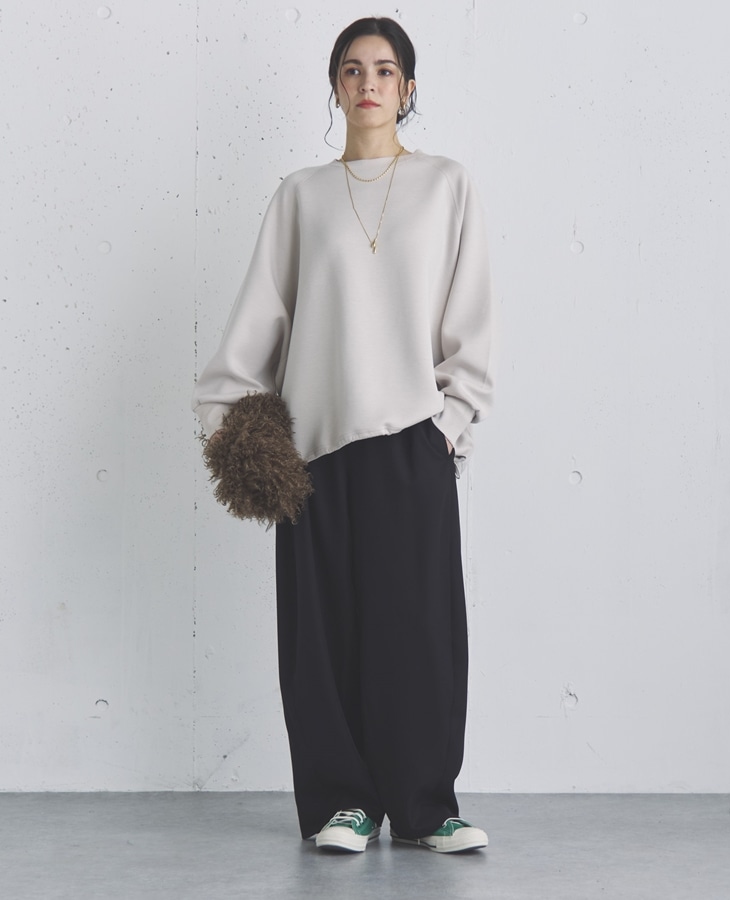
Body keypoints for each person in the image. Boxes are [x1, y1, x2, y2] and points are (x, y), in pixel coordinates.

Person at [192, 16, 493, 854]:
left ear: (408, 88)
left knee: (419, 633)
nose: (369, 83)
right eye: (353, 70)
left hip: (411, 441)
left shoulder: (445, 185)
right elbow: (257, 323)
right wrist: (234, 430)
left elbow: (471, 322)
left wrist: (450, 427)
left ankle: (426, 807)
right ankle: (341, 805)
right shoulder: (300, 196)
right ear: (335, 86)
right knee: (321, 639)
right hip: (313, 450)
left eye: (385, 70)